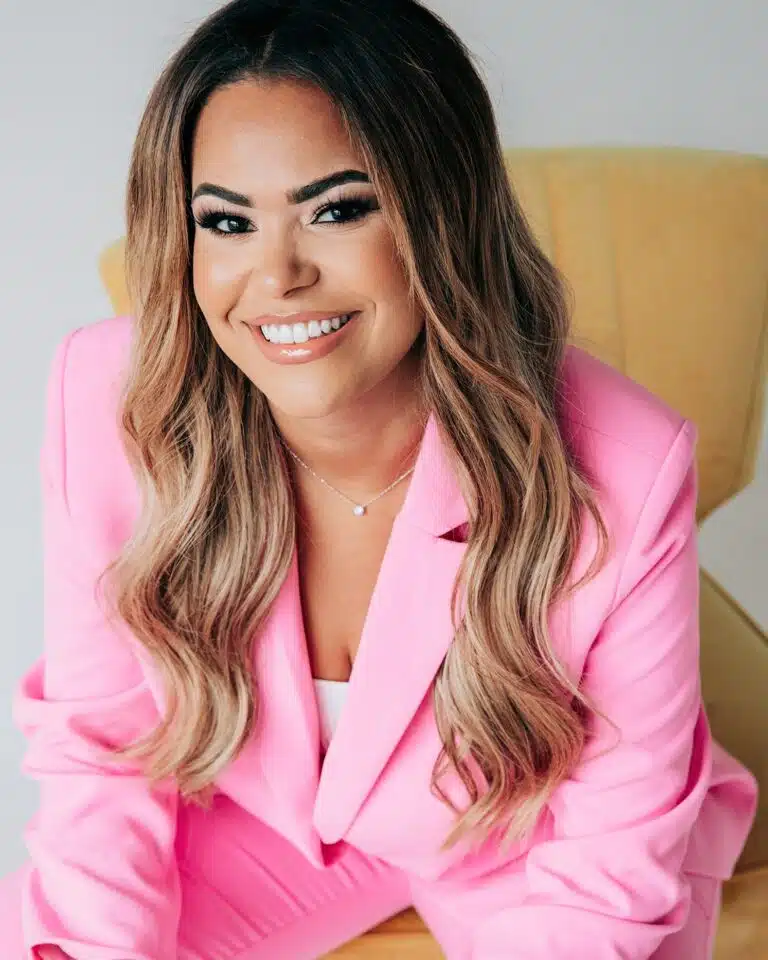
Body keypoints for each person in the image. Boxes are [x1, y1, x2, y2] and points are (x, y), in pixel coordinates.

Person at [1, 0, 758, 957]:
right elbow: (103, 754)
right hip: (267, 822)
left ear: (441, 213)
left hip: (528, 831)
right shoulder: (109, 397)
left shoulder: (627, 467)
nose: (277, 275)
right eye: (227, 222)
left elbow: (603, 874)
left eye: (337, 209)